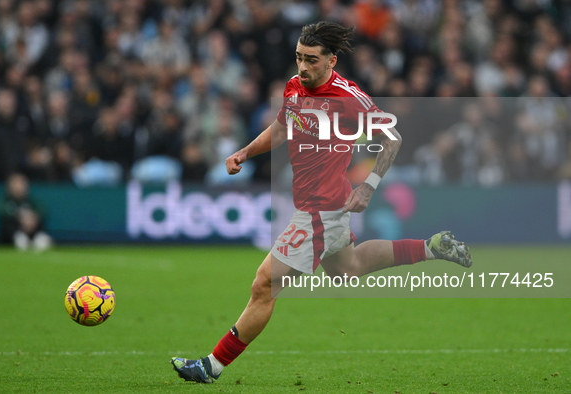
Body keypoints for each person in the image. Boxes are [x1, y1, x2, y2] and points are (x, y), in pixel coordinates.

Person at [170, 21, 472, 383]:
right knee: (350, 267)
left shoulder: (349, 98)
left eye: (311, 60)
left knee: (264, 284)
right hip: (314, 204)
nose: (303, 66)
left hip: (322, 208)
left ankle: (212, 365)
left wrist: (369, 187)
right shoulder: (295, 87)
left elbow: (393, 139)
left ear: (331, 60)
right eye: (299, 57)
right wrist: (246, 151)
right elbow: (283, 128)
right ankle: (430, 247)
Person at [0, 172, 53, 251]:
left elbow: (41, 210)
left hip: (32, 231)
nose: (18, 187)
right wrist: (20, 217)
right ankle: (20, 239)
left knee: (39, 231)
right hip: (12, 235)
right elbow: (2, 211)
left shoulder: (31, 201)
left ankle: (37, 239)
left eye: (21, 183)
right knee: (9, 225)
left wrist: (32, 218)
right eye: (15, 183)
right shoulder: (5, 200)